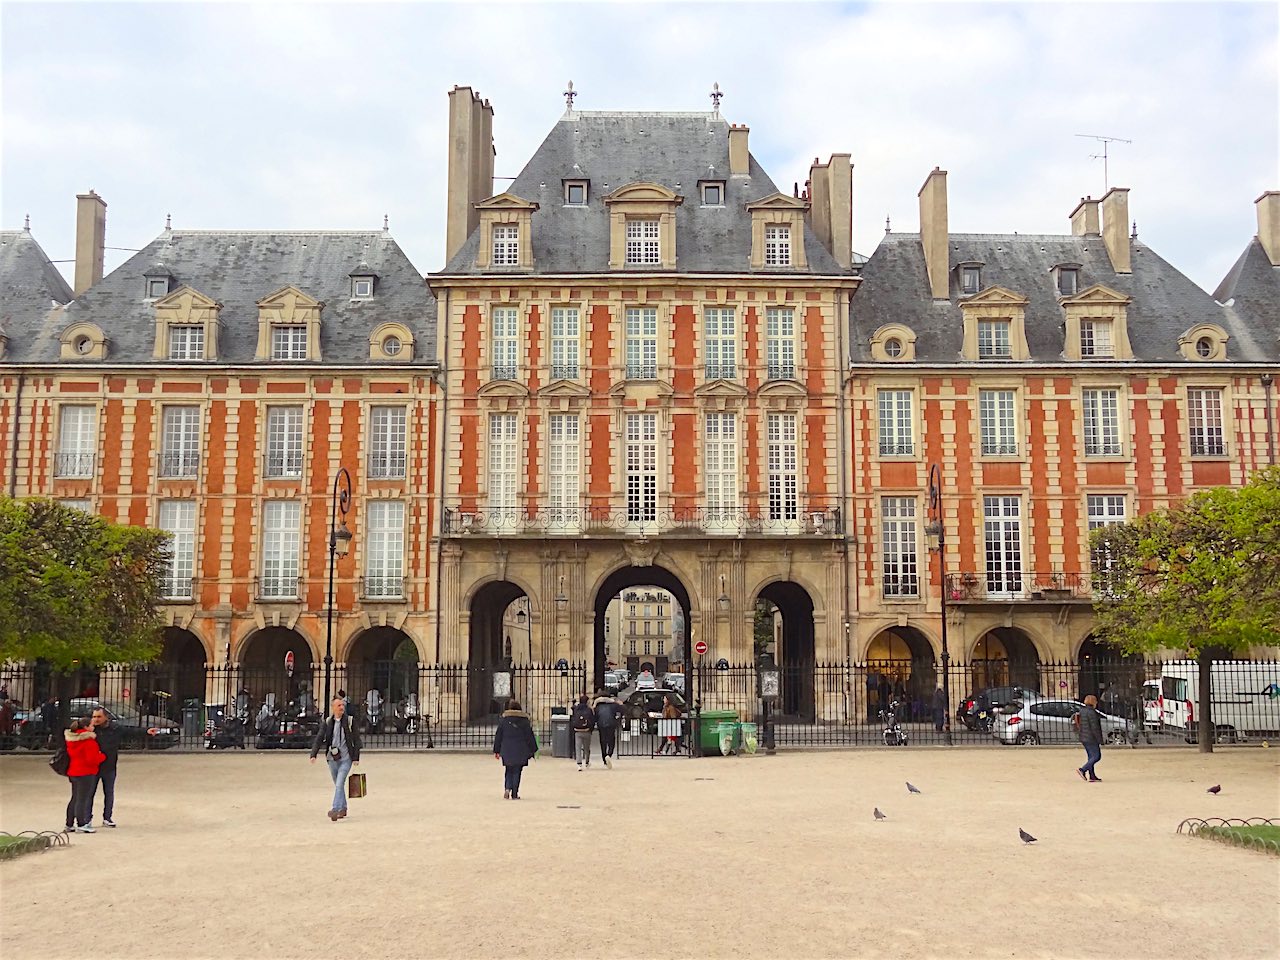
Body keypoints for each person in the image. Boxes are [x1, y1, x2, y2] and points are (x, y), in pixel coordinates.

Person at [309, 697, 361, 821]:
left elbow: (357, 740)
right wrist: (313, 754)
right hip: (332, 758)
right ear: (333, 708)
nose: (342, 708)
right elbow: (320, 737)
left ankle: (335, 809)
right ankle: (343, 808)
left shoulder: (350, 721)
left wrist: (355, 757)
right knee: (338, 785)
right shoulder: (328, 722)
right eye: (339, 706)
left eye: (343, 705)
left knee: (339, 783)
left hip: (346, 758)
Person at [64, 718, 105, 833]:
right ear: (86, 727)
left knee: (75, 798)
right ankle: (81, 823)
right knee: (82, 799)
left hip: (74, 770)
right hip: (85, 771)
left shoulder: (72, 739)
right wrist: (102, 756)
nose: (93, 727)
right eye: (91, 725)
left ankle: (69, 823)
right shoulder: (88, 741)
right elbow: (92, 759)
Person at [492, 699, 537, 800]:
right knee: (517, 771)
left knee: (508, 770)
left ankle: (507, 788)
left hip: (507, 749)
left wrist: (497, 750)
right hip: (521, 749)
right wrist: (533, 749)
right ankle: (515, 794)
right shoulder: (524, 721)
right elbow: (529, 736)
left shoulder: (504, 720)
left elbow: (498, 735)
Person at [89, 707, 123, 827]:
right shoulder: (90, 730)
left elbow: (130, 732)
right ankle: (87, 818)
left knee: (109, 793)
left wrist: (146, 731)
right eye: (94, 717)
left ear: (106, 717)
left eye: (98, 717)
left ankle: (107, 817)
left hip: (109, 766)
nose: (96, 719)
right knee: (89, 793)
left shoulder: (114, 728)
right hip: (93, 766)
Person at [1072, 694, 1104, 782]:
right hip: (1091, 737)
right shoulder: (1092, 712)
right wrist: (1100, 739)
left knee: (1091, 757)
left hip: (1084, 737)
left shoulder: (1082, 711)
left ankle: (1092, 776)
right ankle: (1082, 769)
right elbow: (1095, 727)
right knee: (1097, 756)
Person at [592, 689, 623, 768]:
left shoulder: (598, 706)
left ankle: (604, 759)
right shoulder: (613, 705)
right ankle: (609, 754)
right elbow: (622, 710)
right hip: (611, 724)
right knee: (611, 741)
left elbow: (594, 715)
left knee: (603, 742)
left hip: (601, 724)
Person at [570, 694, 595, 771]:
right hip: (586, 730)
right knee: (586, 748)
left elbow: (573, 716)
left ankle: (579, 764)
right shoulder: (589, 710)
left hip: (577, 731)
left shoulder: (576, 709)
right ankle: (587, 762)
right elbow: (592, 720)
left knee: (578, 748)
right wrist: (591, 729)